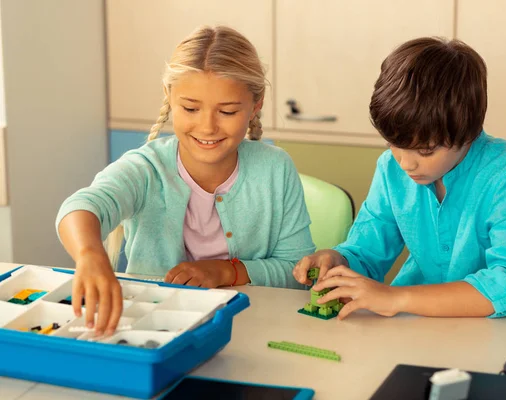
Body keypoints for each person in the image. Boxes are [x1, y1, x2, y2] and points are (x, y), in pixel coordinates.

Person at [56, 26, 315, 335]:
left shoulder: (276, 169)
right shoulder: (147, 169)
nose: (207, 127)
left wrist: (225, 271)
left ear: (254, 106)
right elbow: (81, 206)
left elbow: (296, 271)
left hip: (254, 329)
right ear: (169, 97)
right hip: (153, 331)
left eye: (228, 111)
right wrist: (89, 254)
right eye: (191, 108)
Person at [293, 37, 506, 320]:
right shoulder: (391, 169)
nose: (406, 162)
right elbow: (367, 251)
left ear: (468, 130)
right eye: (393, 144)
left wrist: (395, 297)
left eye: (426, 150)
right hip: (412, 328)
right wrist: (339, 260)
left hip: (490, 334)